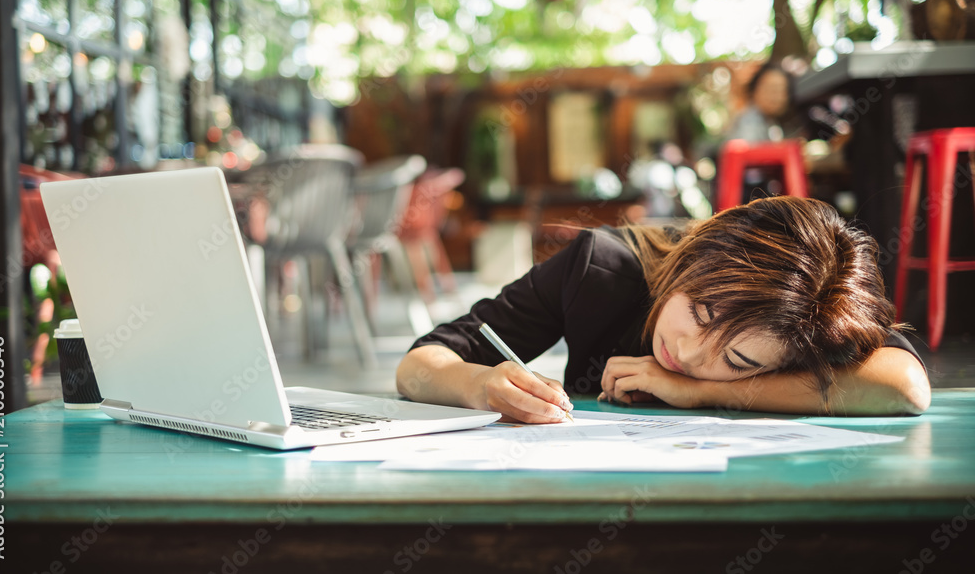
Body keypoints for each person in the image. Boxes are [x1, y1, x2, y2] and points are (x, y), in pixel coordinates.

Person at [396, 196, 931, 423]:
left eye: (740, 362)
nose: (686, 352)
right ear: (697, 256)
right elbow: (420, 364)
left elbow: (906, 387)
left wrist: (702, 391)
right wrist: (477, 386)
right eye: (700, 313)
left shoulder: (809, 310)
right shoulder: (601, 269)